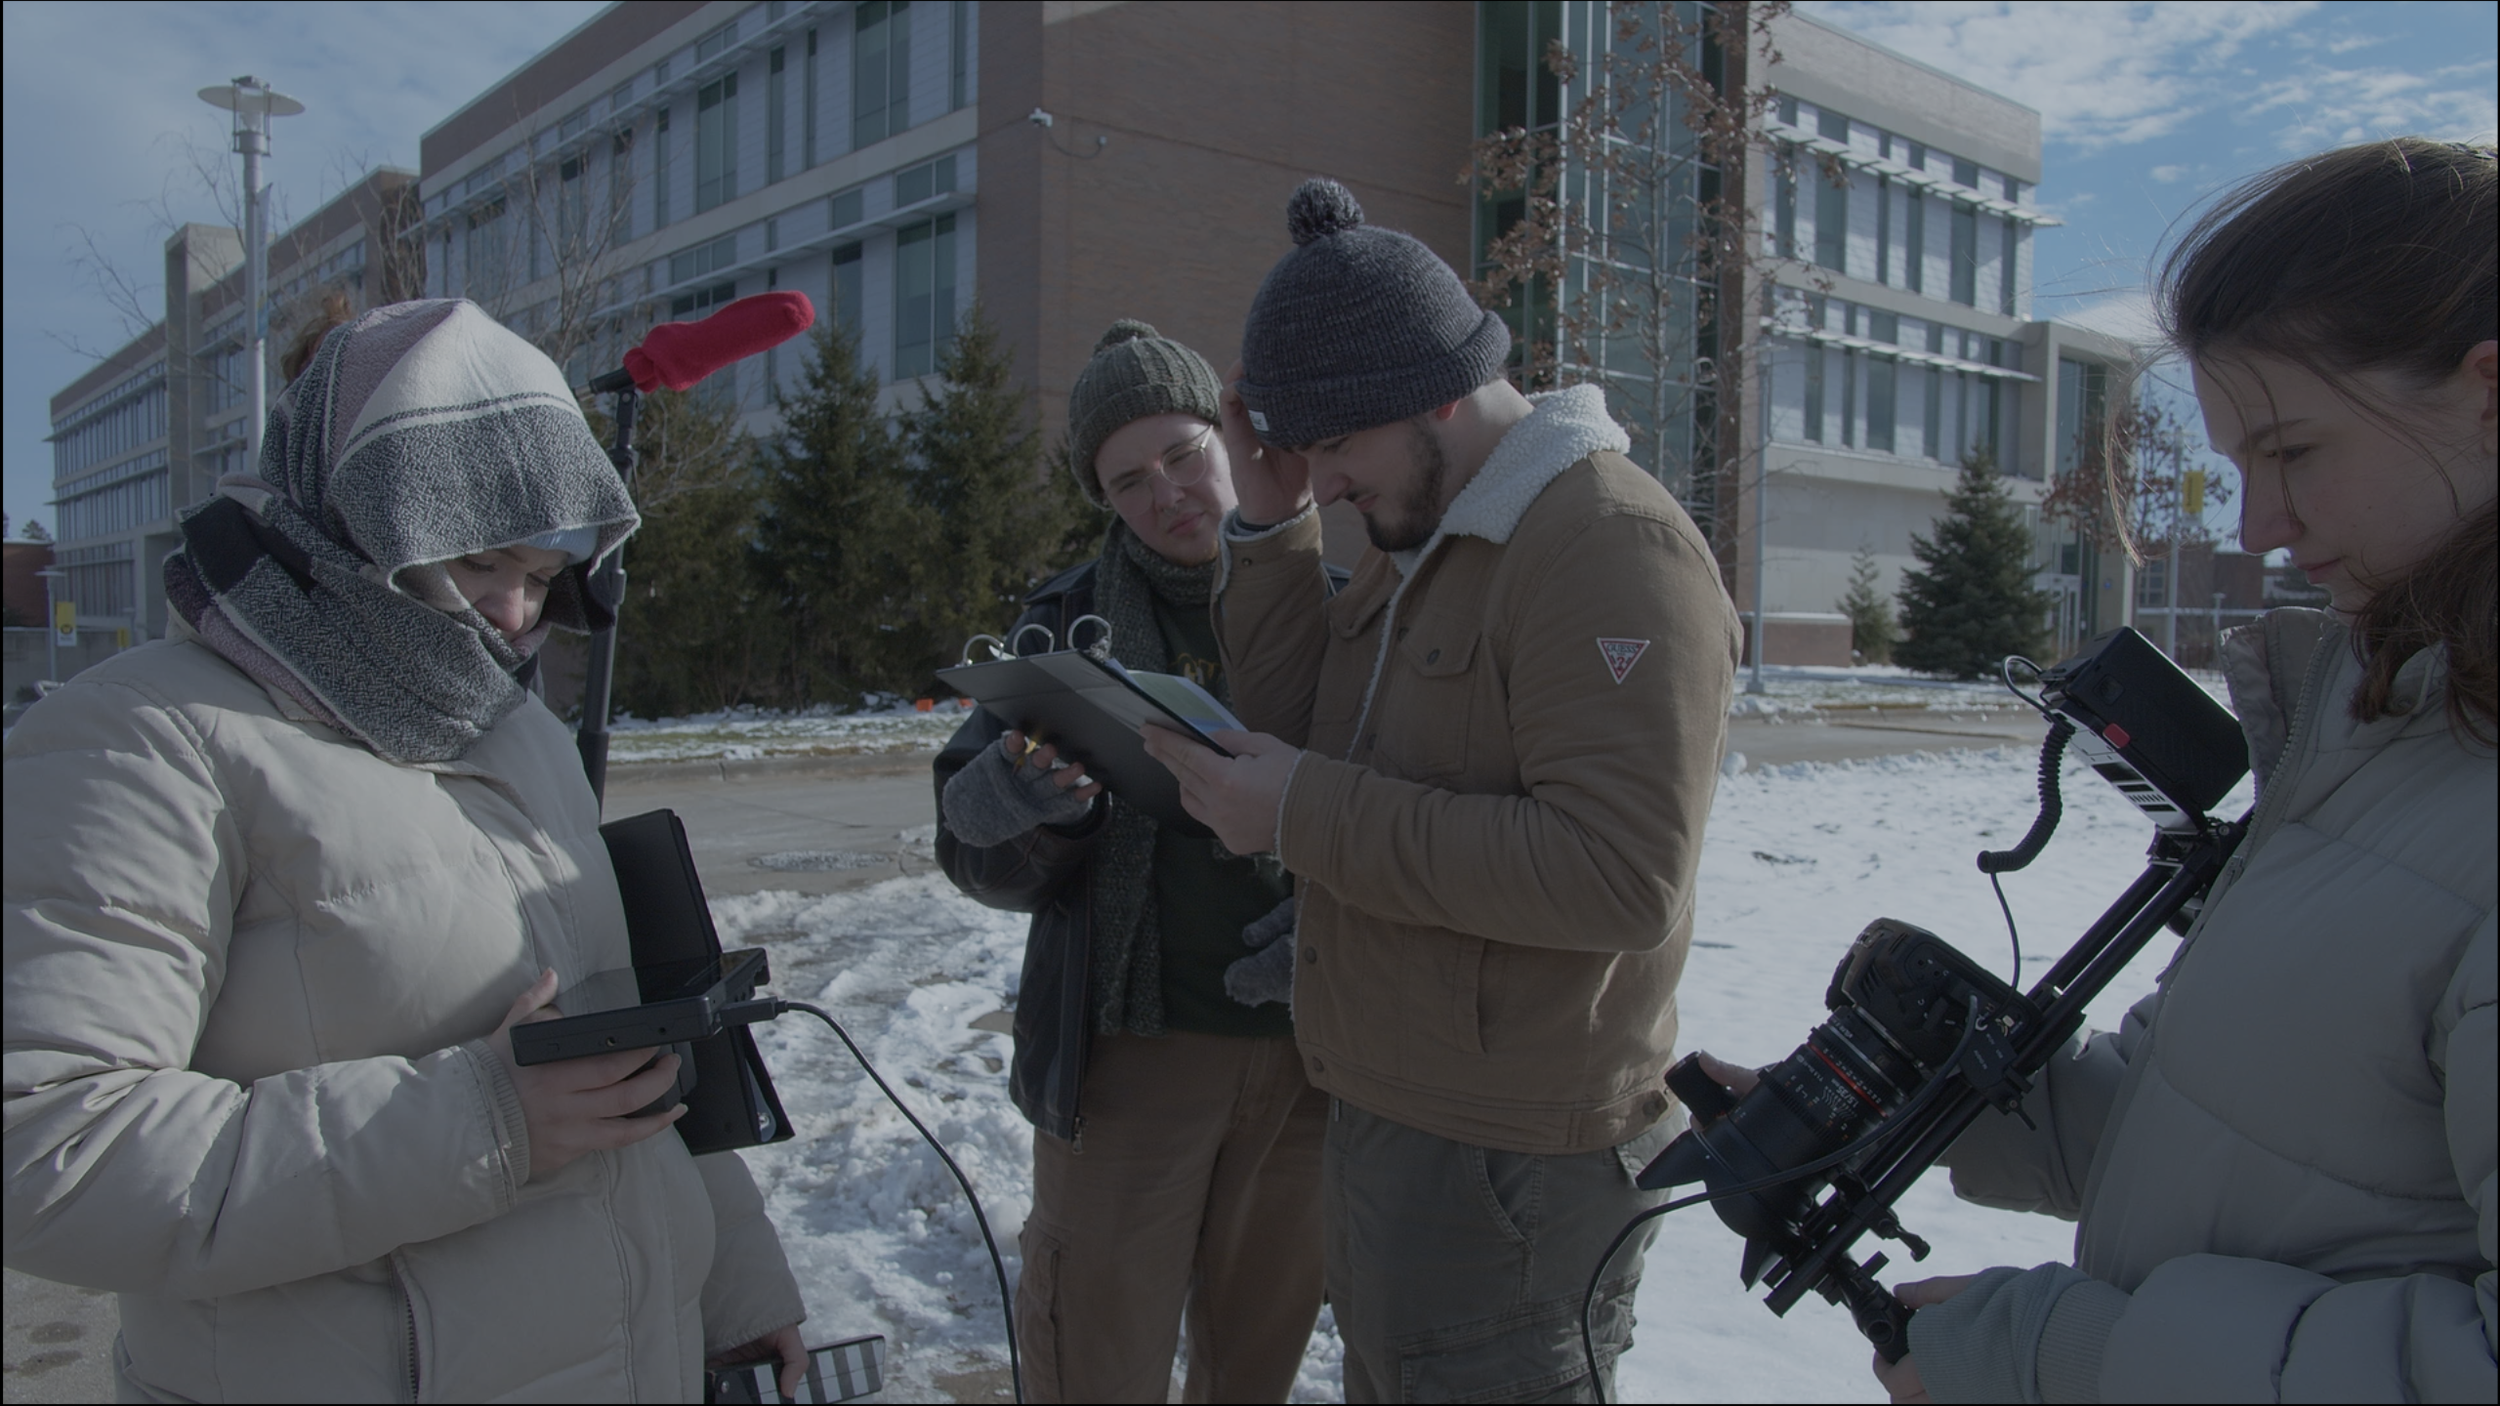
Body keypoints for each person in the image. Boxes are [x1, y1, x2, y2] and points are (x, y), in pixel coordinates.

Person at [2, 299, 811, 1402]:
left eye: (541, 575)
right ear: (357, 518)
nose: (512, 616)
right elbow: (48, 1147)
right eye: (481, 561)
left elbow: (623, 1056)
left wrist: (734, 1297)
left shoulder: (512, 728)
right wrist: (479, 1119)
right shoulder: (143, 737)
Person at [1817, 137, 2494, 1403]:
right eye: (2241, 466)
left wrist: (2062, 1354)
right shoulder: (2376, 723)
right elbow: (2230, 1119)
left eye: (2293, 452)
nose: (2259, 529)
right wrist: (1912, 1094)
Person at [1141, 179, 1742, 1402]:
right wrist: (1269, 530)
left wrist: (1304, 812)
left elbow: (1618, 875)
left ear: (1434, 396)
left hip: (1511, 1156)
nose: (1329, 487)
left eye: (1337, 453)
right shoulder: (1433, 538)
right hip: (1394, 1112)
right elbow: (1300, 728)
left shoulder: (1603, 546)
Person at [932, 320, 1336, 1402]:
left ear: (1227, 438)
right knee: (1092, 1359)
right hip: (1129, 1059)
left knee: (1253, 1361)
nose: (1166, 493)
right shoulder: (1062, 622)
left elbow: (1414, 786)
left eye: (1181, 454)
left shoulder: (1343, 593)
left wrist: (1346, 910)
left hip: (1310, 1056)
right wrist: (1019, 813)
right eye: (1127, 479)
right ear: (1102, 498)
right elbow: (973, 852)